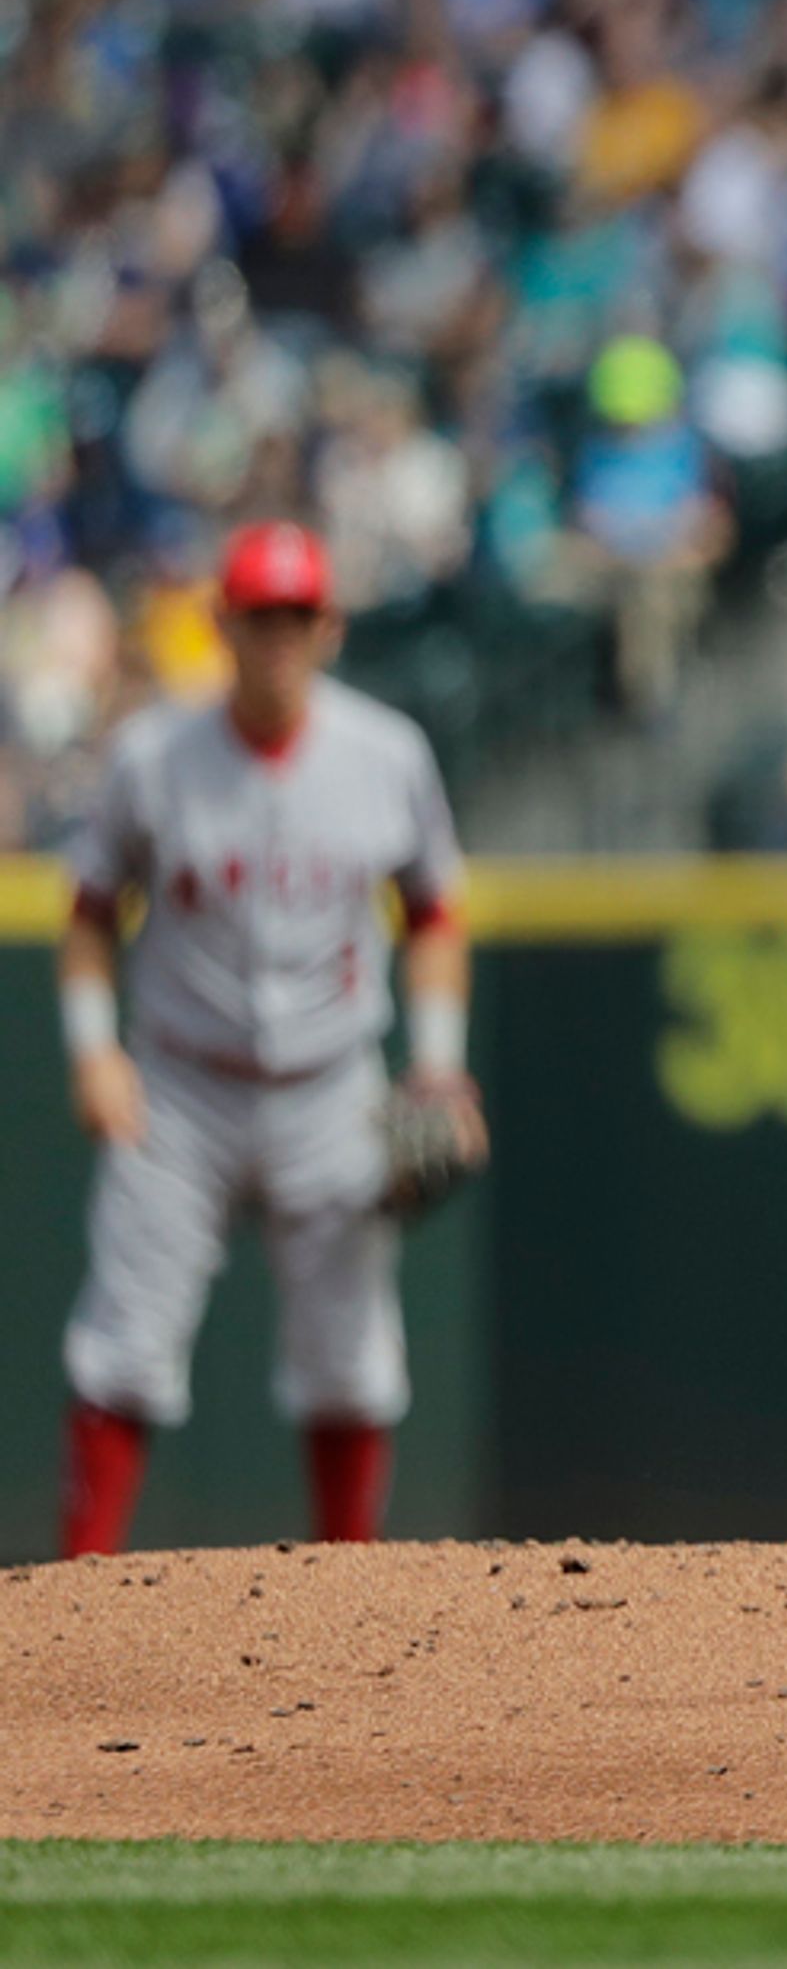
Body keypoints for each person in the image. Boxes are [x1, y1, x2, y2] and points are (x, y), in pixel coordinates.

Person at [52, 520, 479, 1556]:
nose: (278, 635)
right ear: (223, 623)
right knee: (123, 1345)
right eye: (259, 616)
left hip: (330, 1084)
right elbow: (89, 914)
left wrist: (432, 1060)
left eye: (297, 615)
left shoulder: (386, 753)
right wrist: (94, 1049)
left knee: (348, 1356)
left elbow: (433, 914)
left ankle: (345, 1606)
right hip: (178, 1085)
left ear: (329, 625)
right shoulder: (153, 755)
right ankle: (68, 1614)